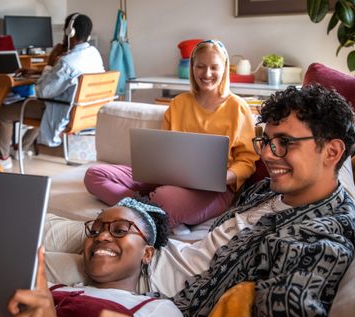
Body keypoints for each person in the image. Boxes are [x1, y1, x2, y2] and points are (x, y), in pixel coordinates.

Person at [0, 83, 355, 317]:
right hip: (161, 249)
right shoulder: (281, 191)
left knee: (10, 253)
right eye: (266, 141)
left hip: (149, 283)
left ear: (331, 150)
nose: (269, 154)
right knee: (43, 222)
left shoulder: (317, 237)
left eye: (284, 143)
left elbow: (289, 316)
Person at [0, 197, 187, 317]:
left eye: (120, 230)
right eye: (95, 230)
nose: (102, 236)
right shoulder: (48, 289)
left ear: (147, 253)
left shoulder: (161, 313)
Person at [83, 39, 258, 227]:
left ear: (224, 68)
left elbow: (247, 161)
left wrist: (226, 177)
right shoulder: (178, 103)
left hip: (215, 190)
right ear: (192, 67)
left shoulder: (237, 107)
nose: (207, 73)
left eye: (214, 67)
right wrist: (155, 169)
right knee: (94, 175)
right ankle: (147, 208)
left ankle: (148, 207)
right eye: (200, 66)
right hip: (170, 179)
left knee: (165, 197)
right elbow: (164, 148)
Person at [0, 12, 104, 169]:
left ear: (69, 32)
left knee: (4, 113)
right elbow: (69, 77)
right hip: (83, 112)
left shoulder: (66, 62)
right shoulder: (93, 54)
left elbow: (43, 92)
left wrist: (50, 63)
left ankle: (3, 158)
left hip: (61, 111)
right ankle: (21, 149)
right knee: (36, 106)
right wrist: (38, 72)